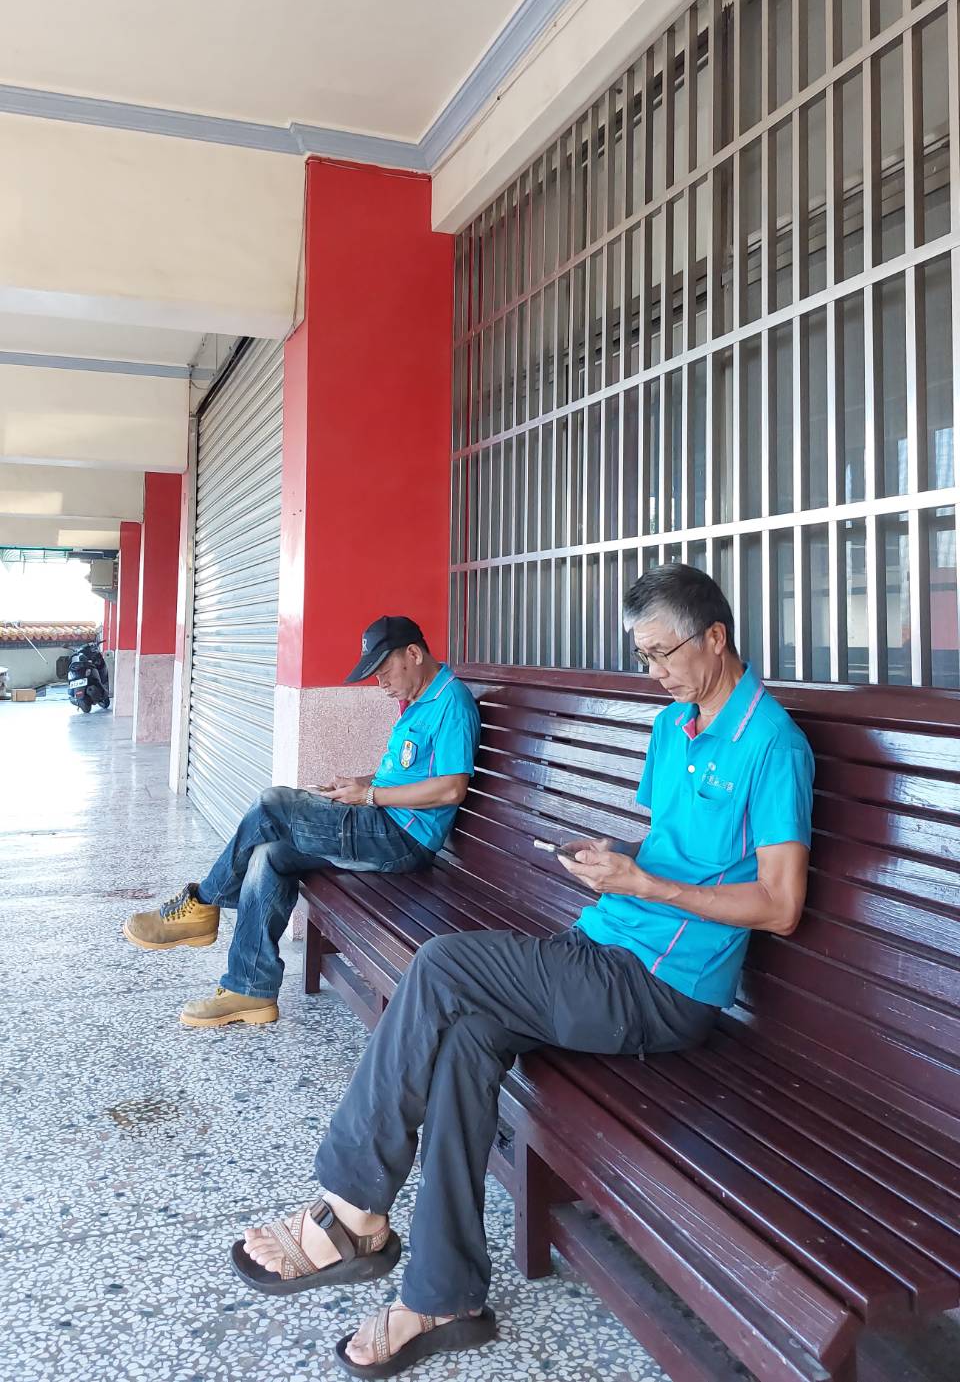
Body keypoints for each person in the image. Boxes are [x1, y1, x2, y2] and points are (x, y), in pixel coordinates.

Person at [232, 564, 814, 1376]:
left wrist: (645, 885)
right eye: (643, 655)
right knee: (467, 1038)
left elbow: (781, 904)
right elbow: (676, 849)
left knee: (442, 965)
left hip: (664, 987)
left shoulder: (773, 744)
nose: (654, 672)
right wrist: (617, 860)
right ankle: (443, 1295)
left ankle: (352, 1205)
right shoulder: (674, 725)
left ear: (715, 636)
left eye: (663, 652)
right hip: (602, 945)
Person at [122, 616, 480, 1029]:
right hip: (381, 821)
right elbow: (410, 774)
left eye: (383, 671)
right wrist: (361, 784)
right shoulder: (418, 700)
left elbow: (451, 789)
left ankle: (203, 903)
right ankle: (249, 989)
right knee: (270, 854)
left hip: (402, 839)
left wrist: (370, 796)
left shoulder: (451, 703)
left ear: (413, 654)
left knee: (272, 803)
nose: (380, 683)